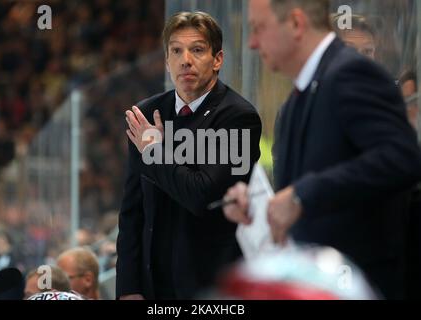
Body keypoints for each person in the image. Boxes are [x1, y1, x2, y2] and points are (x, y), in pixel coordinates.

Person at [223, 0, 421, 299]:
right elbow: (300, 196)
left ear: (296, 24)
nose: (251, 42)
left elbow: (401, 158)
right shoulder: (293, 102)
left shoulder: (351, 72)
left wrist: (303, 194)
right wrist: (261, 208)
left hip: (360, 284)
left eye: (258, 28)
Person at [116, 11, 261, 300]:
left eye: (197, 50)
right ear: (167, 61)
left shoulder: (238, 117)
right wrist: (129, 288)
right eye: (176, 51)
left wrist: (155, 152)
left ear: (217, 59)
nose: (186, 60)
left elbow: (201, 195)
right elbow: (133, 209)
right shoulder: (145, 113)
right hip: (152, 285)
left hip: (211, 288)